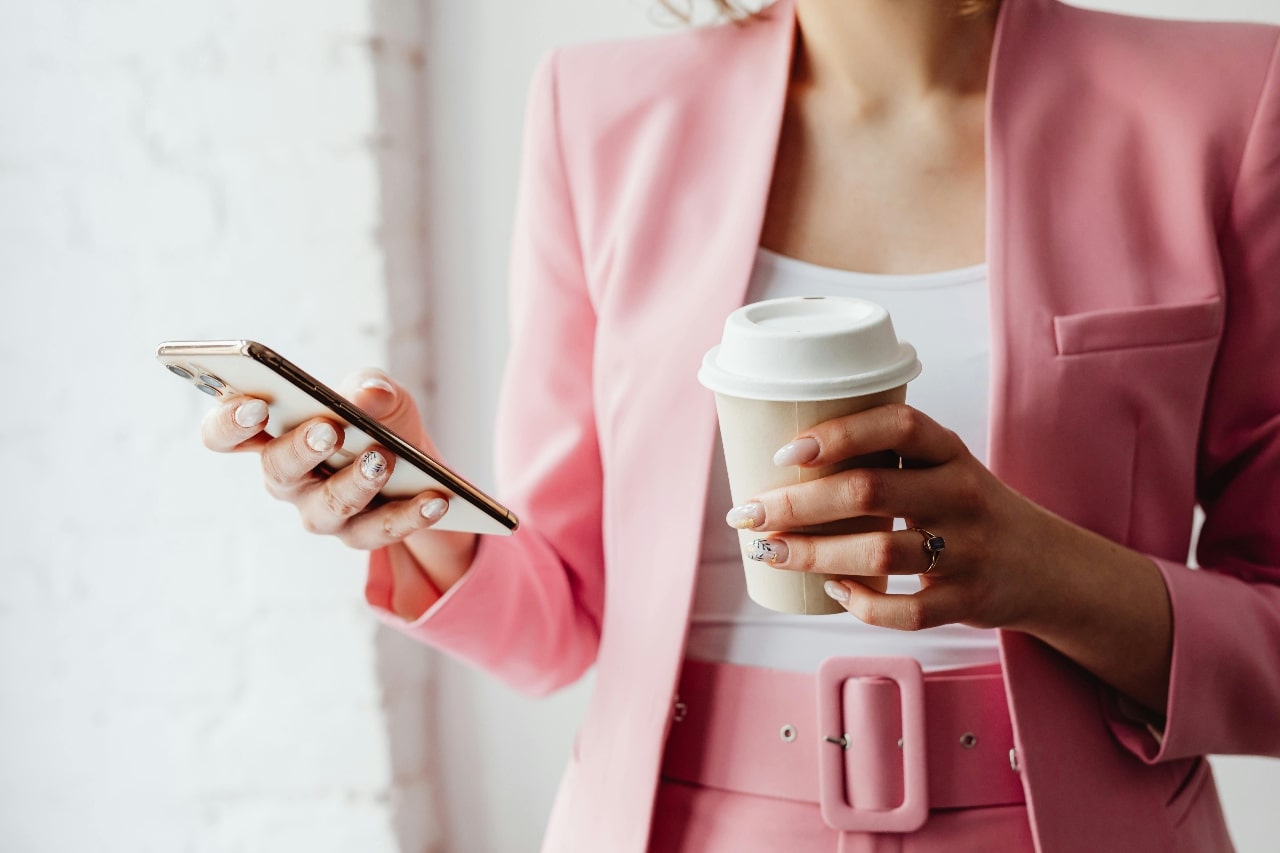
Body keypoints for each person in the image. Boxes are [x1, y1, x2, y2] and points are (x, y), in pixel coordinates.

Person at [200, 0, 1280, 849]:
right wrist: (413, 506)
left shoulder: (1228, 100)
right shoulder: (596, 111)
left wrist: (1036, 567)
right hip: (682, 825)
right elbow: (562, 619)